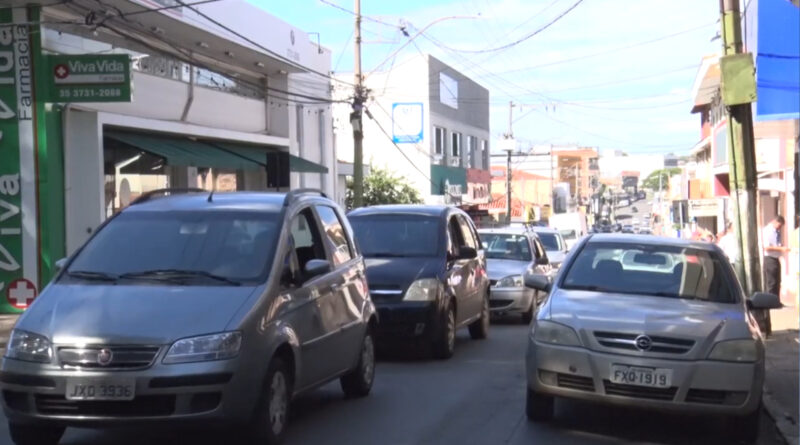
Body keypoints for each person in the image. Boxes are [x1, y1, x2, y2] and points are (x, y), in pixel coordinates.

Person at [762, 215, 789, 298]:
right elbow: (766, 247)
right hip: (770, 259)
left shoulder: (776, 232)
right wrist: (780, 248)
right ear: (775, 222)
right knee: (771, 281)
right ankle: (770, 300)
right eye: (779, 225)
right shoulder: (767, 231)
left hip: (776, 258)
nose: (779, 228)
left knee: (777, 281)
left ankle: (776, 300)